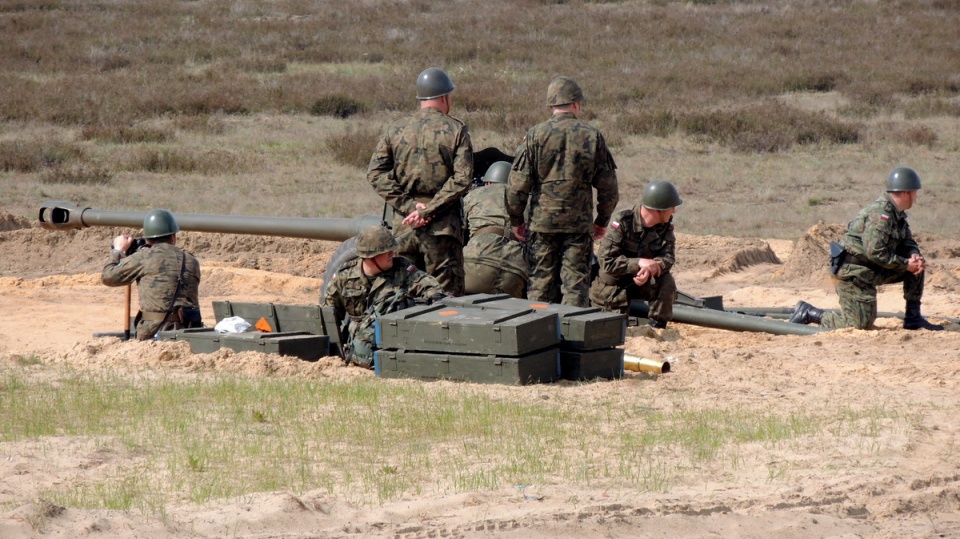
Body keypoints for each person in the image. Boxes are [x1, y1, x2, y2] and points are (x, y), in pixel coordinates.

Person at [506, 76, 619, 306]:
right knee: (575, 285)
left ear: (551, 106)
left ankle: (538, 326)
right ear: (576, 104)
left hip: (542, 224)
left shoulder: (535, 135)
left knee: (540, 284)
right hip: (578, 226)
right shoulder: (592, 136)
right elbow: (609, 189)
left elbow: (517, 186)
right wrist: (602, 221)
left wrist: (516, 220)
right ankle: (572, 327)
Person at [790, 167, 943, 331]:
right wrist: (905, 264)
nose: (916, 197)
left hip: (871, 268)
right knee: (859, 325)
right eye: (915, 192)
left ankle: (913, 318)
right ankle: (810, 313)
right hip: (853, 272)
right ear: (906, 193)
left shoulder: (896, 214)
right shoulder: (880, 215)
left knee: (917, 267)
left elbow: (907, 241)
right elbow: (875, 251)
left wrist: (913, 256)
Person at [367, 67, 474, 297]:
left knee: (401, 298)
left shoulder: (395, 129)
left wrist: (410, 208)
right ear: (444, 97)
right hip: (443, 231)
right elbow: (462, 179)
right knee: (445, 301)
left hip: (404, 228)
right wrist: (428, 211)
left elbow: (375, 173)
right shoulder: (456, 129)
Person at [323, 225, 446, 368]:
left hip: (392, 342)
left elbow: (428, 285)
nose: (392, 254)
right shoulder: (344, 276)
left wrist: (433, 299)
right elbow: (329, 315)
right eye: (386, 251)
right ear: (370, 256)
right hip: (356, 347)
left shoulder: (402, 269)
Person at [590, 180, 681, 328]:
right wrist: (638, 263)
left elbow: (668, 257)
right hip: (613, 288)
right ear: (659, 209)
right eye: (671, 207)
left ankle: (657, 325)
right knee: (614, 330)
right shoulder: (623, 223)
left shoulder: (665, 226)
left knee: (666, 281)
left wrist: (652, 268)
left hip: (641, 284)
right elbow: (607, 262)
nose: (674, 211)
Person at [101, 209, 202, 340]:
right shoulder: (191, 260)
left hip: (154, 331)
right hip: (190, 331)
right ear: (173, 236)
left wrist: (117, 250)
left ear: (147, 238)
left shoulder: (143, 257)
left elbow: (108, 277)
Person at [462, 161, 528, 298]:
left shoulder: (475, 194)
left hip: (474, 264)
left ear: (487, 182)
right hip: (514, 271)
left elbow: (457, 230)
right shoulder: (526, 200)